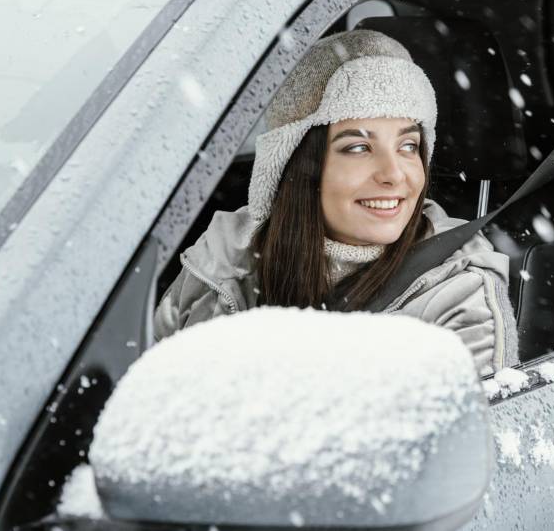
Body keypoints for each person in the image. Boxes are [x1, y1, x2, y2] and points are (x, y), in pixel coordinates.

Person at [153, 29, 518, 375]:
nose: (394, 174)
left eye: (408, 146)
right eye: (359, 147)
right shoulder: (225, 258)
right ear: (298, 165)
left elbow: (469, 438)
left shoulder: (459, 294)